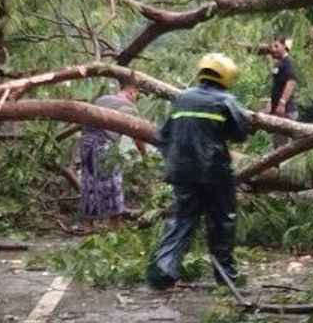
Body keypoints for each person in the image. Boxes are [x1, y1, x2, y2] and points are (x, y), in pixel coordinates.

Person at [146, 52, 252, 290]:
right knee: (222, 222)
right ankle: (226, 278)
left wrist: (174, 160)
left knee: (181, 220)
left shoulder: (181, 99)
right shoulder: (226, 100)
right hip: (214, 172)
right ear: (226, 76)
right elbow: (241, 132)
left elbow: (163, 136)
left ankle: (162, 272)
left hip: (182, 172)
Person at [80, 81, 142, 232]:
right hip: (103, 144)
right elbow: (138, 134)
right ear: (131, 93)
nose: (135, 100)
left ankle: (88, 225)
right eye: (136, 97)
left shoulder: (102, 99)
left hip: (86, 141)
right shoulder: (128, 106)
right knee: (113, 183)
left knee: (89, 182)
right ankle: (115, 223)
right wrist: (144, 155)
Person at [268, 34, 298, 149]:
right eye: (273, 47)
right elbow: (276, 88)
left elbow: (291, 82)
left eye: (276, 46)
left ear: (284, 46)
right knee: (277, 144)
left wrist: (282, 103)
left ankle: (284, 167)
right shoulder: (279, 64)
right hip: (277, 112)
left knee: (282, 148)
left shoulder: (288, 62)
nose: (274, 49)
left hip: (286, 111)